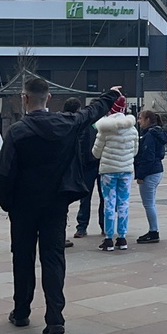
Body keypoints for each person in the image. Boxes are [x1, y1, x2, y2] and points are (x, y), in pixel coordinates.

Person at [0, 77, 121, 334]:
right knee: (53, 258)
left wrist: (7, 203)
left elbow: (4, 173)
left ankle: (21, 311)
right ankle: (55, 318)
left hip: (23, 206)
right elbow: (91, 112)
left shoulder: (17, 132)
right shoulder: (67, 123)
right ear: (49, 98)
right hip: (55, 203)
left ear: (24, 98)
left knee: (23, 257)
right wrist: (110, 94)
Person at [92, 95, 139, 251]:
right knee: (123, 203)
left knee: (109, 203)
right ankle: (122, 237)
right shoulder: (132, 129)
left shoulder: (105, 129)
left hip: (108, 171)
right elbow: (135, 151)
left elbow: (96, 153)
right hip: (126, 170)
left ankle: (108, 238)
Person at [63, 97, 104, 240]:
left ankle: (104, 225)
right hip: (88, 165)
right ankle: (82, 226)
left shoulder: (104, 124)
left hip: (102, 164)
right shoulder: (84, 123)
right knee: (85, 197)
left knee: (104, 197)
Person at [134, 110, 167, 243]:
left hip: (150, 172)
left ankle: (153, 231)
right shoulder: (158, 133)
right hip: (157, 170)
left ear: (147, 120)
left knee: (148, 204)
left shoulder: (149, 135)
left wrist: (140, 175)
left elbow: (148, 157)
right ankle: (153, 230)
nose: (138, 121)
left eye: (140, 118)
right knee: (151, 203)